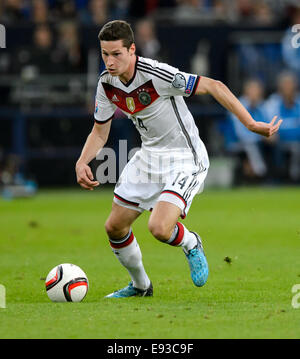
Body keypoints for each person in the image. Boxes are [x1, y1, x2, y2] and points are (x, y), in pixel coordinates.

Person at [75, 20, 282, 298]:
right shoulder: (106, 83)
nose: (109, 62)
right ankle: (140, 286)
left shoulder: (156, 74)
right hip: (149, 156)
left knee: (159, 228)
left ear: (132, 49)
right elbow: (100, 131)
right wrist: (82, 161)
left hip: (185, 156)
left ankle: (191, 242)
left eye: (116, 54)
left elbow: (214, 85)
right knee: (114, 226)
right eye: (104, 54)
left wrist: (250, 123)